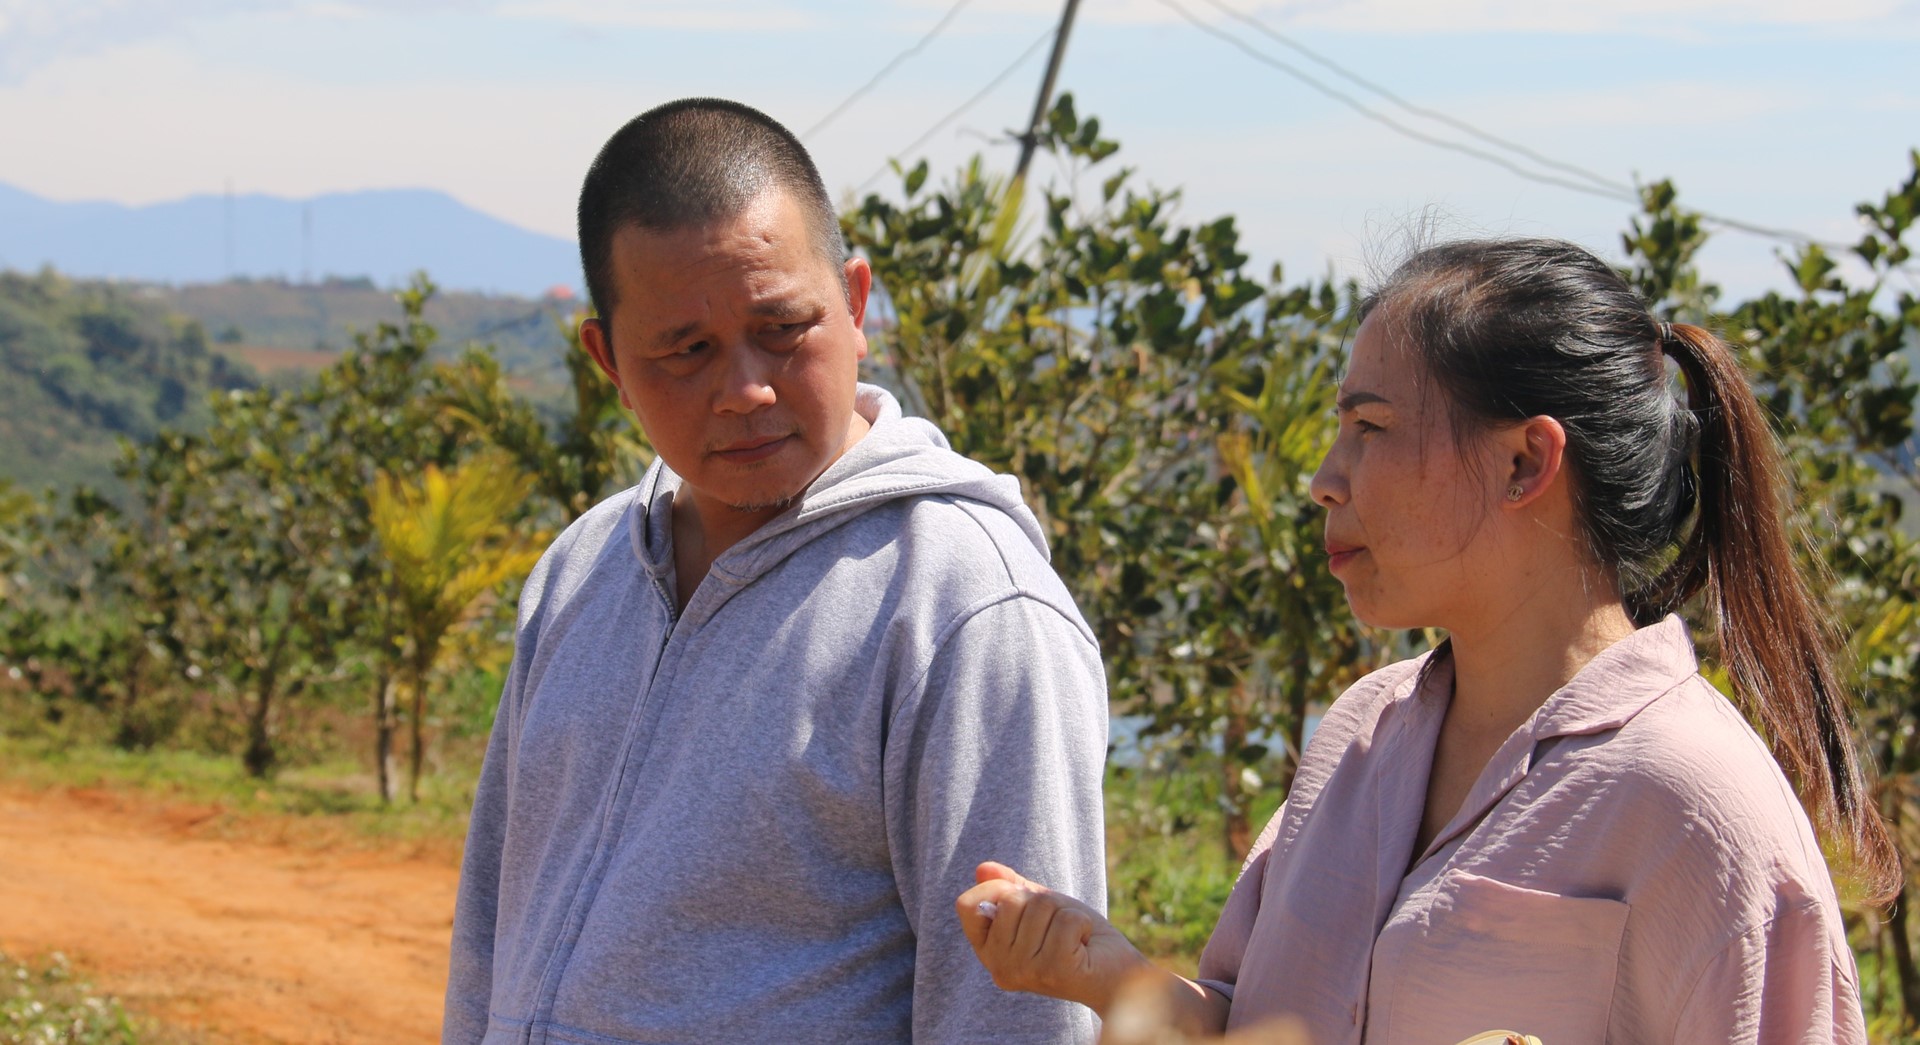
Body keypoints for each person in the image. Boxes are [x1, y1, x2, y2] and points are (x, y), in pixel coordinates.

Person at [957, 238, 1897, 1044]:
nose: (1327, 479)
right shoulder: (1360, 734)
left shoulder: (1695, 804)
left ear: (1526, 460)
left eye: (1370, 427)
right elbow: (1255, 1020)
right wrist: (1108, 972)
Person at [441, 98, 1109, 1045]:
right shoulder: (584, 570)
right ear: (608, 363)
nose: (746, 388)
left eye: (785, 327)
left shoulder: (963, 603)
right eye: (686, 351)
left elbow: (1016, 1009)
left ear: (856, 303)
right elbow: (491, 921)